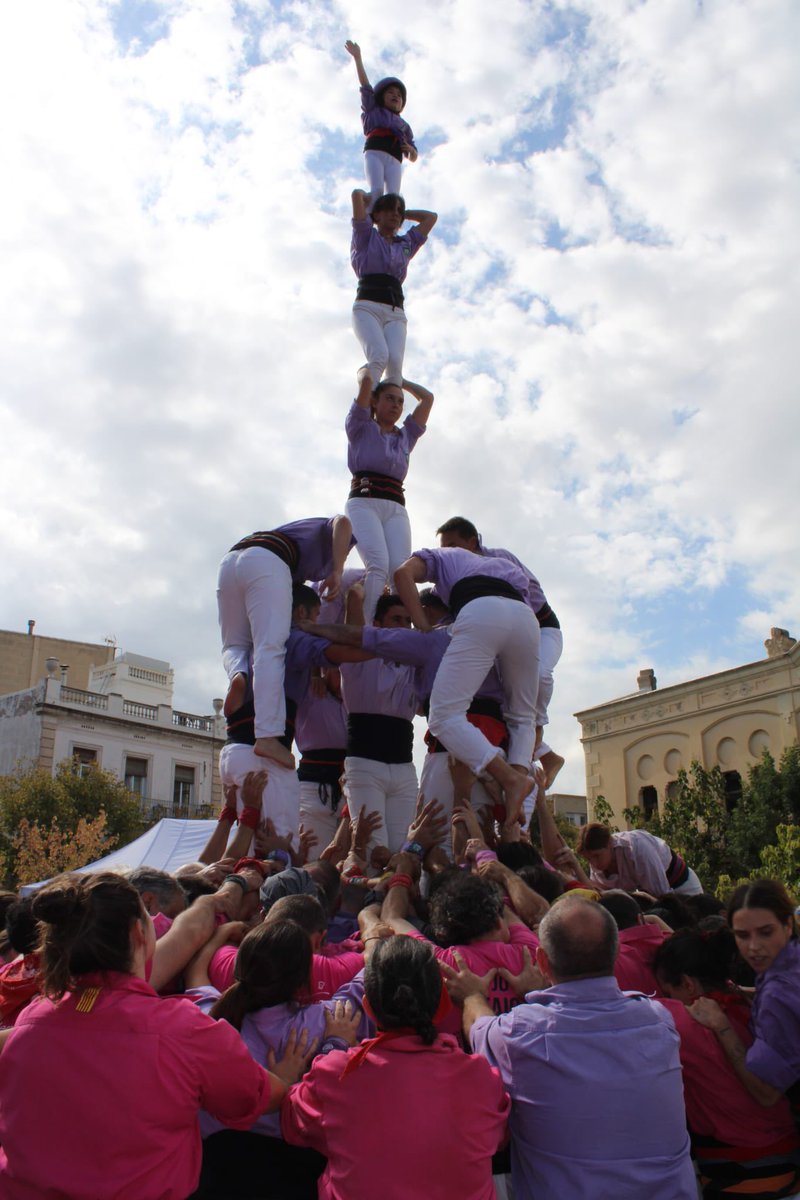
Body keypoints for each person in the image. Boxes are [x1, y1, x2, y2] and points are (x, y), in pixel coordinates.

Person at [0, 872, 311, 1200]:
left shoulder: (31, 1020)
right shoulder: (183, 1030)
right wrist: (285, 1079)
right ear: (139, 932)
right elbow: (255, 1096)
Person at [446, 896, 697, 1200]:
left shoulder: (517, 1036)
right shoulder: (660, 1022)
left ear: (541, 961)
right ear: (615, 952)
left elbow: (477, 1028)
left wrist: (472, 995)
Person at [281, 935, 510, 1200]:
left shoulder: (336, 1074)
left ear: (368, 1008)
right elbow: (499, 1138)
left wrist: (332, 1046)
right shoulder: (481, 1078)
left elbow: (293, 1123)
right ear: (443, 1005)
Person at [394, 545, 540, 823]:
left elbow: (402, 574)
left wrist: (422, 623)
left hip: (482, 610)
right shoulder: (505, 567)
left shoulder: (442, 556)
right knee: (523, 716)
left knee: (443, 715)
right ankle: (517, 788)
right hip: (525, 619)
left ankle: (509, 778)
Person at [653, 925, 800, 1198]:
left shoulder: (683, 1023)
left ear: (687, 984)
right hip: (787, 1162)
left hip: (741, 1177)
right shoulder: (754, 1006)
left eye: (667, 992)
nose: (664, 1000)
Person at [216, 514, 353, 769]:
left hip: (230, 561)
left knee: (234, 644)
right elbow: (343, 521)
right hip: (269, 558)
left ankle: (239, 675)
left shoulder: (296, 553)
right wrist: (337, 569)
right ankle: (268, 736)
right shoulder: (333, 535)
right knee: (271, 647)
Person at [689, 879, 800, 1109]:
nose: (753, 947)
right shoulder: (788, 959)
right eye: (743, 935)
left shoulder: (776, 998)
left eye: (765, 932)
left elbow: (766, 1093)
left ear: (787, 925)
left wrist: (722, 1026)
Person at [346, 369, 433, 622]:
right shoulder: (361, 426)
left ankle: (405, 632)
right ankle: (367, 629)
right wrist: (372, 372)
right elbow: (365, 380)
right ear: (375, 401)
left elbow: (427, 399)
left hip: (395, 506)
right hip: (364, 500)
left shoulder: (406, 435)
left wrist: (399, 379)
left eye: (399, 401)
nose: (396, 405)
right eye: (389, 398)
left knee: (400, 571)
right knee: (378, 565)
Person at [350, 189, 436, 388]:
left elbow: (431, 218)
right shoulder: (365, 236)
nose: (395, 214)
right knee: (379, 356)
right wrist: (371, 200)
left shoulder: (405, 244)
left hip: (396, 310)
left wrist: (403, 213)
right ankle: (362, 410)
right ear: (376, 215)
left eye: (399, 211)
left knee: (395, 367)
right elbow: (356, 196)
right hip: (368, 305)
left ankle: (383, 417)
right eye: (389, 209)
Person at [344, 41, 417, 211]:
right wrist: (358, 58)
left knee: (394, 197)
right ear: (381, 96)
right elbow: (365, 86)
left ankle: (390, 232)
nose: (395, 96)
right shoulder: (373, 110)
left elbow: (413, 155)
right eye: (390, 92)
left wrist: (411, 151)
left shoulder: (404, 126)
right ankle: (368, 219)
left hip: (394, 158)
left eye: (399, 95)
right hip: (375, 152)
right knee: (376, 190)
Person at [576, 822, 704, 895]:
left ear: (610, 844)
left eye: (597, 856)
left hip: (682, 886)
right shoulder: (597, 867)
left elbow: (663, 895)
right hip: (650, 898)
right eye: (588, 859)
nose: (594, 863)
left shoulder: (637, 846)